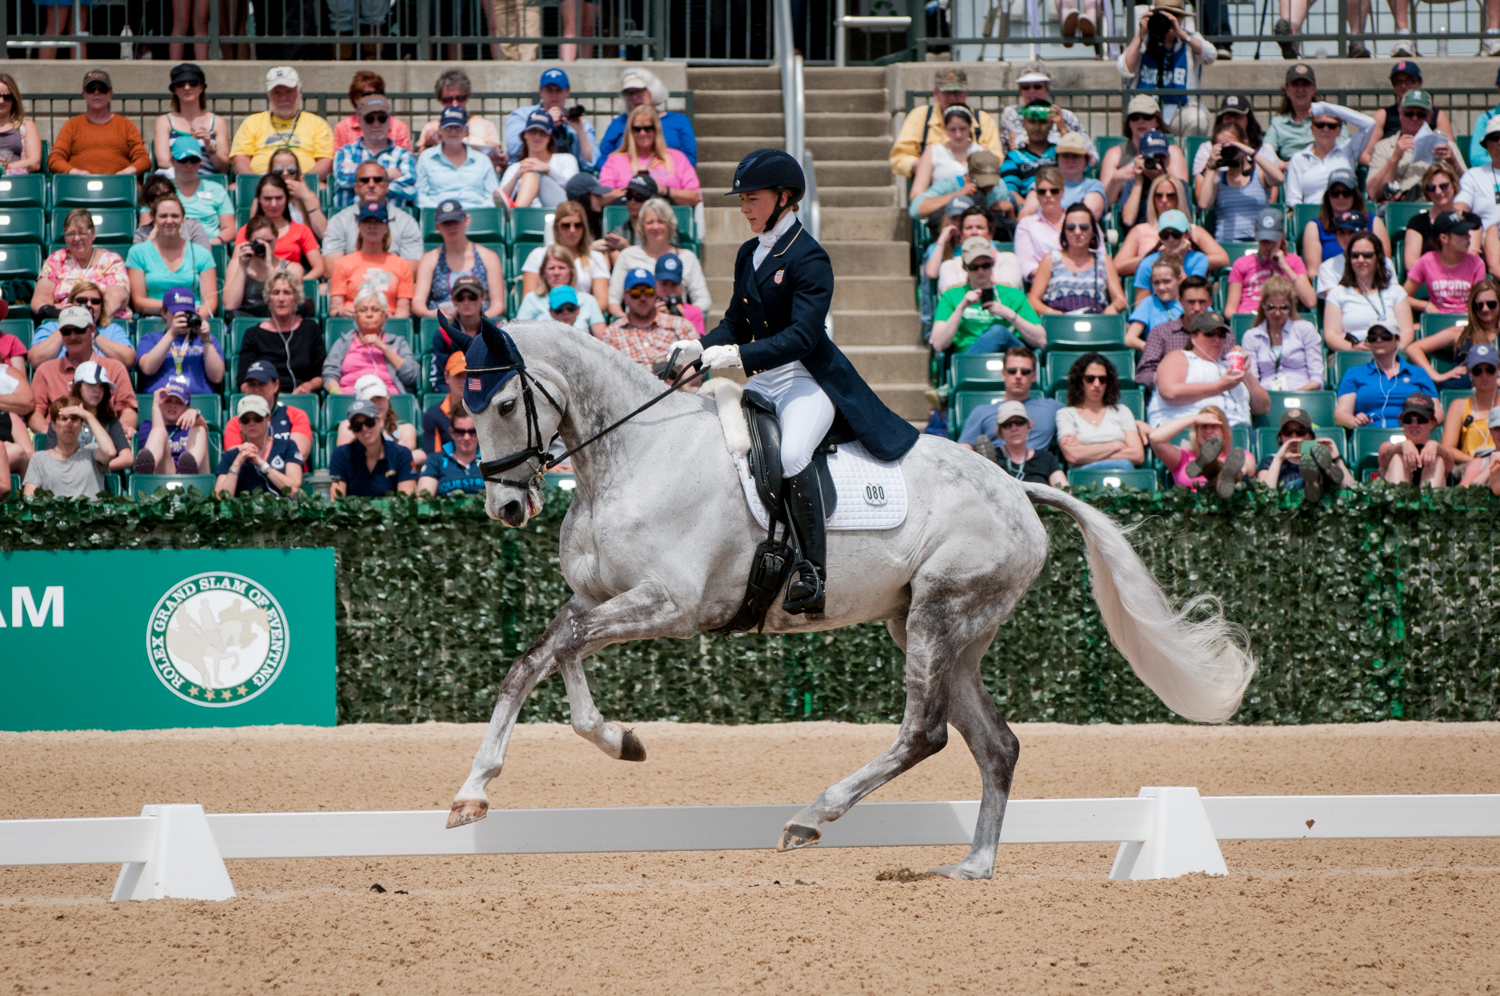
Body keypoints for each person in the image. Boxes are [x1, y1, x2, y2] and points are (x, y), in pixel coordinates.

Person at [670, 149, 921, 617]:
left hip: (807, 379)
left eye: (752, 199)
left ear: (784, 198)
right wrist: (698, 347)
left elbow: (803, 337)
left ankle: (812, 573)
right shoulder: (749, 253)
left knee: (792, 455)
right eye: (742, 200)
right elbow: (735, 323)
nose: (744, 208)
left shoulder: (809, 257)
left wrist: (739, 356)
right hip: (765, 380)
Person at [1148, 310, 1269, 428]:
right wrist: (1219, 386)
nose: (1217, 339)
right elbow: (1169, 392)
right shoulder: (1180, 357)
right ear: (1193, 337)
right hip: (1191, 431)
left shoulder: (1229, 367)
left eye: (1221, 334)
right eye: (1210, 333)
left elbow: (1263, 407)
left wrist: (1246, 371)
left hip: (1237, 432)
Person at [27, 306, 137, 436]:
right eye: (66, 331)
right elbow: (35, 413)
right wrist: (49, 434)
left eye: (79, 330)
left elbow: (128, 409)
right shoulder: (45, 370)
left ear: (92, 330)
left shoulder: (115, 368)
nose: (73, 336)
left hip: (105, 438)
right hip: (58, 440)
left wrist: (122, 430)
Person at [1117, 0, 1215, 138]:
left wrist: (1183, 35)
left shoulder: (1189, 38)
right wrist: (1141, 34)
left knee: (1198, 120)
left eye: (1175, 16)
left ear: (1181, 19)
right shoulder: (1144, 40)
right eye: (1165, 15)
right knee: (1138, 119)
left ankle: (1184, 152)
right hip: (1147, 111)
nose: (1169, 20)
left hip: (1181, 109)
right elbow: (1124, 68)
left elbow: (1210, 56)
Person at [931, 237, 1045, 354]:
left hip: (1010, 357)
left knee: (999, 332)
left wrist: (1009, 314)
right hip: (971, 356)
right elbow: (938, 344)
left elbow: (1041, 341)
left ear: (993, 264)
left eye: (986, 265)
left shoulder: (1013, 294)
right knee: (997, 332)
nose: (980, 271)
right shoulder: (951, 296)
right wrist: (961, 308)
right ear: (965, 267)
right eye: (974, 267)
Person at [889, 68, 1003, 178]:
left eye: (957, 92)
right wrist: (924, 166)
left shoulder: (983, 120)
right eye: (946, 93)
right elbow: (899, 157)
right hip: (930, 185)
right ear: (936, 94)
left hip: (972, 184)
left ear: (966, 93)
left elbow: (996, 159)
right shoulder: (920, 116)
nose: (952, 98)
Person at [607, 198, 710, 316]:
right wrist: (633, 320)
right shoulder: (627, 255)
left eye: (661, 221)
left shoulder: (688, 258)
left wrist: (685, 313)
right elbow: (613, 300)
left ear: (669, 224)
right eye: (650, 222)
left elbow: (703, 299)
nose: (655, 227)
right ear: (641, 226)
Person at [229, 67, 334, 179]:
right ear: (269, 95)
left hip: (303, 181)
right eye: (277, 93)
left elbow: (325, 161)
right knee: (233, 187)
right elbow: (240, 159)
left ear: (299, 92)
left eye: (289, 92)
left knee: (322, 187)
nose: (284, 98)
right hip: (261, 182)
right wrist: (257, 183)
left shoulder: (317, 124)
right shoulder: (252, 122)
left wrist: (303, 182)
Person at [31, 208, 130, 325]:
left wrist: (86, 322)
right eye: (71, 234)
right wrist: (60, 314)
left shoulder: (111, 261)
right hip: (63, 323)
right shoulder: (56, 260)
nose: (76, 238)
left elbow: (117, 298)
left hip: (105, 323)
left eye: (82, 232)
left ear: (93, 234)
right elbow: (39, 301)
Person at [956, 345, 1063, 452]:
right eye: (1012, 371)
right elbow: (963, 449)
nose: (1018, 376)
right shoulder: (982, 412)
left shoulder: (1052, 408)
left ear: (1034, 376)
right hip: (997, 461)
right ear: (1004, 374)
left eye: (1025, 371)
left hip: (1038, 461)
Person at [1112, 175, 1223, 278]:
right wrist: (1157, 257)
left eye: (1170, 195)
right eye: (1158, 195)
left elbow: (1222, 258)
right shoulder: (1139, 231)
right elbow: (1117, 266)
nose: (1164, 200)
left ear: (1179, 197)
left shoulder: (1193, 230)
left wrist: (1188, 258)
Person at [126, 196, 218, 319]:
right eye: (163, 216)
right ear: (154, 218)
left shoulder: (202, 254)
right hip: (155, 319)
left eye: (175, 216)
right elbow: (138, 302)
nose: (169, 221)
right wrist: (177, 307)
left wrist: (194, 320)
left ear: (183, 218)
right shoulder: (137, 253)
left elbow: (210, 302)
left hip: (194, 318)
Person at [235, 270, 325, 394]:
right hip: (265, 396)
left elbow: (321, 373)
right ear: (269, 299)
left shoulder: (310, 329)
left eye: (287, 292)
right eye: (276, 293)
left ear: (296, 298)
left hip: (301, 395)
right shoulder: (253, 335)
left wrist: (309, 386)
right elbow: (244, 381)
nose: (281, 299)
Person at [1335, 323, 1439, 429]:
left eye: (1385, 336)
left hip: (1411, 431)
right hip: (1370, 431)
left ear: (1397, 339)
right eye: (1373, 337)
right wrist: (1354, 421)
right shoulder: (1355, 373)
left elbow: (1437, 412)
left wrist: (1419, 425)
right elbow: (1341, 413)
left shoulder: (1418, 373)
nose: (1379, 340)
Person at [1367, 89, 1463, 206]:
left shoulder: (1447, 147)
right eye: (1409, 114)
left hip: (1438, 205)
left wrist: (1453, 162)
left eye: (1421, 114)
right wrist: (1395, 158)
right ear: (1400, 114)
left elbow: (1469, 188)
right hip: (1400, 207)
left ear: (1430, 116)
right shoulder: (1384, 146)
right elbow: (1373, 193)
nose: (1414, 118)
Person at [597, 104, 702, 210]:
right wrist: (634, 190)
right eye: (637, 129)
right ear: (630, 131)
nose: (642, 133)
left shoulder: (677, 157)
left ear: (656, 130)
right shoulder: (615, 160)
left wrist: (665, 190)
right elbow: (602, 198)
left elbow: (694, 197)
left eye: (648, 129)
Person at [414, 201, 507, 320]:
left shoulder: (489, 257)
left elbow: (498, 305)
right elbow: (418, 303)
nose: (451, 227)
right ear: (437, 226)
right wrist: (435, 315)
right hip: (442, 324)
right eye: (446, 223)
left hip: (480, 324)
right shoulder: (429, 259)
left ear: (466, 221)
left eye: (455, 221)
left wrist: (475, 321)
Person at [1325, 232, 1415, 352]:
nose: (1360, 260)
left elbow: (1407, 331)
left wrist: (1390, 349)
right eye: (1355, 255)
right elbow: (1331, 335)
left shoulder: (1396, 292)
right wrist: (1353, 348)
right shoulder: (1337, 294)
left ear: (1378, 257)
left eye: (1367, 255)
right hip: (1354, 354)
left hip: (1391, 353)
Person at [1054, 354, 1147, 471]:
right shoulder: (1066, 414)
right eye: (1090, 379)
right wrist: (1116, 445)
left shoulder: (1122, 411)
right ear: (1080, 381)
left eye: (1102, 379)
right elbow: (1073, 456)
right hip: (1084, 476)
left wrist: (1087, 453)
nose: (1097, 384)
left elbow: (1138, 455)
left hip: (1121, 474)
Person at [1028, 205, 1125, 316]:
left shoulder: (1104, 261)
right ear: (1064, 231)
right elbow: (1033, 300)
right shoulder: (1050, 260)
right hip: (1059, 321)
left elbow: (1120, 299)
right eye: (1071, 228)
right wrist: (1053, 313)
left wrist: (1114, 307)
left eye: (1084, 227)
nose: (1077, 232)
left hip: (1095, 321)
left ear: (1093, 231)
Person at [47, 71, 149, 176]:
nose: (96, 93)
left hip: (120, 182)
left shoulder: (126, 125)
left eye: (102, 89)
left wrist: (125, 173)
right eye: (91, 89)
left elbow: (143, 159)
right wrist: (76, 173)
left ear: (110, 95)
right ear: (84, 94)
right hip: (79, 182)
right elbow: (55, 159)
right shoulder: (72, 125)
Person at [593, 67, 698, 170]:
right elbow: (602, 161)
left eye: (639, 91)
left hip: (669, 175)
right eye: (629, 93)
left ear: (653, 90)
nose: (634, 97)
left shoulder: (678, 121)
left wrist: (662, 170)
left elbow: (690, 159)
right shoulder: (619, 123)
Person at [1194, 122, 1283, 241]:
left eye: (1232, 145)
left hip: (1257, 243)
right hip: (1227, 243)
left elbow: (1279, 178)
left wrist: (1250, 152)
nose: (1228, 150)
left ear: (1244, 143)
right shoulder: (1217, 178)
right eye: (1223, 147)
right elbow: (1204, 204)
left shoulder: (1259, 173)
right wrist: (1212, 165)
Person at [322, 163, 424, 266]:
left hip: (392, 277)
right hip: (351, 276)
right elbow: (331, 267)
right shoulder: (339, 221)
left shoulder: (406, 222)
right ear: (356, 187)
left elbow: (411, 268)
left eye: (378, 180)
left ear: (387, 186)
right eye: (364, 180)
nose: (371, 185)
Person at [1408, 278, 1500, 391]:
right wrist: (1437, 376)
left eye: (1491, 304)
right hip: (1460, 389)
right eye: (1479, 305)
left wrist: (1494, 383)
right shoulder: (1460, 333)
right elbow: (1413, 349)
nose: (1485, 309)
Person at [1149, 403, 1258, 498]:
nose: (1208, 431)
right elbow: (1155, 438)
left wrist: (1241, 470)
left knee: (1237, 470)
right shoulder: (1183, 457)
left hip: (1226, 508)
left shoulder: (1238, 456)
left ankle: (1225, 473)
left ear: (1224, 432)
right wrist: (1193, 419)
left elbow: (1249, 467)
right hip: (1191, 510)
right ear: (1196, 432)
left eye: (1214, 426)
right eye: (1204, 426)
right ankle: (1212, 468)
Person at [323, 288, 419, 396]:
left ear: (385, 317)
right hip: (350, 399)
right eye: (363, 310)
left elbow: (411, 376)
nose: (369, 314)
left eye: (375, 310)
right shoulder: (343, 342)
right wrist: (339, 395)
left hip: (389, 399)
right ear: (355, 317)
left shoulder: (398, 342)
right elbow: (329, 374)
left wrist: (384, 347)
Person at [1366, 61, 1462, 167]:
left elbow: (1448, 150)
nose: (1403, 85)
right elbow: (1365, 154)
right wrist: (1388, 163)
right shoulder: (1383, 115)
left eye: (1409, 80)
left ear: (1420, 82)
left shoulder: (1438, 115)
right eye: (1397, 81)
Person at [1281, 103, 1375, 211]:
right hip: (1312, 214)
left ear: (1339, 131)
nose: (1325, 129)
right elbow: (1293, 200)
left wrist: (1325, 107)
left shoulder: (1348, 151)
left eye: (1332, 126)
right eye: (1320, 125)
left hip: (1343, 213)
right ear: (1312, 129)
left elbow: (1369, 124)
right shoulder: (1299, 158)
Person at [601, 268, 698, 371]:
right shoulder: (612, 333)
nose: (643, 298)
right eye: (635, 293)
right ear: (625, 297)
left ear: (656, 294)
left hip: (675, 380)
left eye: (648, 292)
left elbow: (697, 362)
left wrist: (677, 377)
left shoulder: (681, 325)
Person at [516, 200, 607, 309]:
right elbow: (528, 299)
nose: (572, 230)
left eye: (578, 225)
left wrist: (573, 314)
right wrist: (554, 315)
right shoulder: (537, 255)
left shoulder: (596, 258)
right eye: (566, 225)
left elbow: (602, 301)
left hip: (582, 315)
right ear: (556, 227)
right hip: (544, 315)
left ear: (584, 227)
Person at [332, 95, 417, 212]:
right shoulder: (346, 152)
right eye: (370, 119)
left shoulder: (403, 155)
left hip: (392, 218)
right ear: (360, 120)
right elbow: (343, 179)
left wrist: (359, 175)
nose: (376, 124)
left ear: (390, 121)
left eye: (382, 118)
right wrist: (387, 175)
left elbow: (411, 191)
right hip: (350, 217)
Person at [1101, 100, 1185, 218]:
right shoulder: (1115, 154)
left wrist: (1160, 177)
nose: (1140, 121)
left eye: (1147, 117)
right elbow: (1105, 204)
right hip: (1126, 213)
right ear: (1129, 123)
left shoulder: (1172, 153)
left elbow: (1183, 196)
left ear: (1157, 121)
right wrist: (1117, 178)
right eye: (1135, 117)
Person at [329, 202, 414, 318]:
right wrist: (342, 312)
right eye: (367, 222)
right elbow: (335, 309)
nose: (372, 226)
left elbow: (403, 311)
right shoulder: (342, 263)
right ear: (359, 226)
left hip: (387, 322)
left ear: (386, 227)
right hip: (353, 321)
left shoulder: (402, 265)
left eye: (378, 222)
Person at [1225, 207, 1315, 316]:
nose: (1269, 245)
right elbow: (1230, 310)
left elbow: (1310, 301)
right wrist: (1243, 319)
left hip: (1281, 317)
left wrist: (1285, 267)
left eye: (1273, 240)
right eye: (1264, 241)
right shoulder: (1242, 263)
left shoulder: (1294, 261)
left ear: (1282, 235)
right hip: (1250, 317)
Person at [136, 286, 225, 395]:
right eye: (177, 313)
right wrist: (172, 334)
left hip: (197, 399)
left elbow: (217, 377)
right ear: (164, 313)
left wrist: (205, 339)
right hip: (162, 398)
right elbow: (147, 368)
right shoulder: (151, 338)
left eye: (187, 313)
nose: (183, 318)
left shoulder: (206, 339)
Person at [232, 175, 324, 280]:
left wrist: (295, 284)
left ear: (287, 198)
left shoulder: (302, 230)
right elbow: (235, 264)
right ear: (259, 200)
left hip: (289, 282)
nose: (274, 204)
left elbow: (319, 268)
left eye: (279, 198)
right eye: (267, 198)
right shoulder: (247, 230)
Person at [1241, 276, 1325, 391]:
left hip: (1303, 393)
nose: (1277, 313)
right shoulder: (1252, 336)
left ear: (1291, 307)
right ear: (1263, 305)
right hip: (1267, 396)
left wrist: (1292, 396)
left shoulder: (1305, 329)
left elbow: (1317, 378)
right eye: (1271, 307)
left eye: (1283, 308)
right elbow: (1252, 381)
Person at [22, 396, 115, 498]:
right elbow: (29, 498)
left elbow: (110, 452)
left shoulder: (91, 452)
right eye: (64, 419)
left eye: (74, 419)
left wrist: (88, 416)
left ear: (81, 425)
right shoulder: (39, 459)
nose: (69, 423)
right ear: (53, 425)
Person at [997, 64, 1094, 162]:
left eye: (1037, 86)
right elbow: (1005, 152)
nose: (1031, 91)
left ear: (1047, 90)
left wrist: (1063, 130)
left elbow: (1092, 157)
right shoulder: (1012, 114)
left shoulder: (1066, 116)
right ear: (1020, 91)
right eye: (1026, 87)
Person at [29, 281, 134, 371]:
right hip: (61, 380)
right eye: (82, 301)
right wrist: (66, 324)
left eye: (95, 301)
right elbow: (36, 360)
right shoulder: (51, 327)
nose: (89, 305)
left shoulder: (112, 329)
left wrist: (94, 333)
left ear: (101, 306)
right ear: (71, 303)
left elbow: (128, 360)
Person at [1302, 169, 1390, 274]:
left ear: (1355, 195)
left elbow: (1384, 262)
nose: (1341, 197)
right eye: (1335, 193)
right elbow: (1314, 272)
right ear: (1328, 196)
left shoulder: (1372, 221)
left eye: (1347, 193)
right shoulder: (1315, 227)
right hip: (1331, 279)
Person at [51, 360, 131, 475]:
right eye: (91, 385)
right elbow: (52, 456)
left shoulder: (111, 421)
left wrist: (94, 468)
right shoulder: (63, 418)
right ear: (78, 387)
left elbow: (127, 458)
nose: (97, 390)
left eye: (101, 386)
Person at [927, 203, 1022, 300]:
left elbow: (1009, 291)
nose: (974, 232)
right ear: (961, 235)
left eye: (980, 227)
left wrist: (967, 287)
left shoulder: (1008, 259)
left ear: (991, 234)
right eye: (968, 228)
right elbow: (950, 295)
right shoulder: (950, 265)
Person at [415, 69, 506, 170]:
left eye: (459, 98)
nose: (455, 104)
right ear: (440, 101)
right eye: (448, 100)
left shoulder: (487, 126)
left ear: (467, 97)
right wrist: (427, 145)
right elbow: (422, 163)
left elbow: (495, 160)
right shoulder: (430, 127)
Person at [215, 394, 304, 496]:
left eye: (257, 418)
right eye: (245, 419)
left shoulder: (287, 446)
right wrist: (237, 464)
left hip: (282, 504)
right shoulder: (231, 456)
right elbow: (220, 498)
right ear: (240, 422)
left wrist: (261, 464)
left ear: (268, 418)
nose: (251, 423)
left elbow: (293, 491)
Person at [504, 69, 596, 166]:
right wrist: (545, 121)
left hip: (567, 171)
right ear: (540, 92)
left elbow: (591, 161)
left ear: (567, 92)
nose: (554, 95)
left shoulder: (580, 122)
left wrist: (580, 131)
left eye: (558, 90)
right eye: (549, 90)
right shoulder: (521, 115)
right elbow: (513, 148)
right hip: (528, 167)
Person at [1256, 408, 1351, 502]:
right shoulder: (1270, 462)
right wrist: (1278, 459)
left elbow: (1353, 492)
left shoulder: (1323, 459)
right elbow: (1264, 496)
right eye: (1287, 431)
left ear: (1310, 435)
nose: (1294, 436)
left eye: (1301, 431)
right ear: (1281, 436)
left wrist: (1337, 459)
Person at [1129, 209, 1225, 303]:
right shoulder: (1147, 263)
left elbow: (1192, 296)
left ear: (1187, 235)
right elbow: (1141, 303)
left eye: (1176, 234)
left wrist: (1177, 259)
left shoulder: (1199, 259)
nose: (1170, 239)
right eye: (1165, 234)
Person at [223, 216, 308, 320]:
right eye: (258, 242)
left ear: (276, 239)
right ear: (249, 242)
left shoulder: (292, 268)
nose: (263, 246)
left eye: (269, 242)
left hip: (279, 321)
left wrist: (269, 267)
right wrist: (242, 267)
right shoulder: (238, 265)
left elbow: (288, 304)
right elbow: (230, 305)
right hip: (248, 321)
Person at [416, 107, 500, 211]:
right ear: (440, 130)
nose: (453, 131)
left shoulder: (482, 160)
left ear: (466, 131)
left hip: (476, 214)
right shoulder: (426, 158)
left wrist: (476, 213)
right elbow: (420, 194)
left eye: (458, 127)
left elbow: (492, 195)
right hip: (437, 215)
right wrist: (443, 212)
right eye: (448, 127)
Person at [329, 399, 417, 498]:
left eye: (369, 422)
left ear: (380, 422)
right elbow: (337, 500)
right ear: (352, 430)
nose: (364, 429)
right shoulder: (340, 455)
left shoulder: (402, 454)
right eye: (357, 426)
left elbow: (406, 500)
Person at [1136, 274, 1212, 389]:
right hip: (1172, 394)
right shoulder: (1161, 332)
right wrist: (1168, 380)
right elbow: (1143, 374)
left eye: (1202, 302)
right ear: (1181, 301)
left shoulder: (1222, 333)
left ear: (1210, 301)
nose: (1197, 308)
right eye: (1191, 302)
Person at [152, 63, 229, 174]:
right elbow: (163, 162)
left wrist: (209, 147)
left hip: (206, 178)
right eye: (180, 84)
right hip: (175, 178)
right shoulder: (164, 121)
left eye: (193, 84)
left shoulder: (217, 122)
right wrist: (188, 172)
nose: (187, 87)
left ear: (201, 87)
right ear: (174, 89)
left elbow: (224, 168)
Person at [1405, 212, 1486, 316]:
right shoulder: (1427, 261)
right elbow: (1403, 296)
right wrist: (1425, 305)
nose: (1468, 237)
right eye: (1461, 233)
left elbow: (1480, 300)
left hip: (1467, 319)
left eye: (1467, 232)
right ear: (1444, 238)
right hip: (1438, 318)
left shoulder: (1476, 263)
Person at [334, 374, 423, 468]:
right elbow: (344, 457)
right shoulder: (348, 426)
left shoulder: (406, 429)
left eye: (379, 397)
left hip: (394, 474)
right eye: (370, 400)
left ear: (387, 395)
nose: (376, 403)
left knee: (418, 455)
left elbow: (405, 455)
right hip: (361, 473)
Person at [972, 400, 1067, 485]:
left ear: (1028, 426)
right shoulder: (991, 458)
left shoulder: (1046, 458)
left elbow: (1063, 491)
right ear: (1000, 431)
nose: (1014, 428)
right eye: (1007, 424)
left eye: (1019, 422)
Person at [908, 105, 985, 210]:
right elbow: (916, 195)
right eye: (952, 129)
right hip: (942, 211)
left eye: (963, 129)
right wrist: (958, 193)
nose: (958, 135)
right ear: (945, 129)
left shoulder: (982, 151)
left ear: (970, 127)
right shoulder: (933, 152)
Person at [500, 111, 581, 209]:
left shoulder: (566, 159)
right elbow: (500, 200)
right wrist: (516, 176)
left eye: (542, 132)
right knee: (530, 173)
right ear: (525, 134)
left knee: (532, 174)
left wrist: (548, 170)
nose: (537, 137)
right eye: (533, 131)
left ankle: (517, 212)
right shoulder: (516, 168)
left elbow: (573, 190)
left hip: (560, 211)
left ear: (549, 137)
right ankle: (518, 211)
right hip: (529, 215)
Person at [134, 375, 209, 476]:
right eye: (168, 401)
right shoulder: (147, 426)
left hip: (192, 476)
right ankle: (145, 475)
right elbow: (158, 432)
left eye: (178, 402)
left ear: (186, 406)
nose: (173, 405)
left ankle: (189, 469)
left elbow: (204, 426)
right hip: (164, 473)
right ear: (161, 402)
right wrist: (155, 406)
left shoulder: (192, 426)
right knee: (158, 432)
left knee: (200, 429)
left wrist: (195, 413)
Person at [516, 253, 608, 334]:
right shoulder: (531, 298)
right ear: (551, 312)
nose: (556, 273)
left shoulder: (588, 300)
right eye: (558, 310)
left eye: (571, 308)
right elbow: (519, 334)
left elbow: (603, 338)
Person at [163, 137, 233, 245]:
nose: (189, 165)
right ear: (172, 161)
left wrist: (214, 243)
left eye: (194, 160)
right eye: (183, 160)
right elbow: (146, 226)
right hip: (169, 246)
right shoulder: (161, 190)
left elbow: (230, 228)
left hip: (210, 247)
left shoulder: (216, 189)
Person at [1447, 342, 1500, 484]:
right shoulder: (1459, 406)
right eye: (1477, 371)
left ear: (1498, 370)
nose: (1484, 375)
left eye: (1489, 369)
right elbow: (1448, 448)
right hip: (1470, 466)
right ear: (1470, 372)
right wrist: (1479, 462)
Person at [1114, 130, 1186, 232]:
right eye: (1150, 157)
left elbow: (1183, 221)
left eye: (1160, 157)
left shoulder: (1179, 185)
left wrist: (1161, 181)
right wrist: (1138, 182)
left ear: (1168, 159)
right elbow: (1128, 220)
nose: (1155, 162)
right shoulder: (1132, 184)